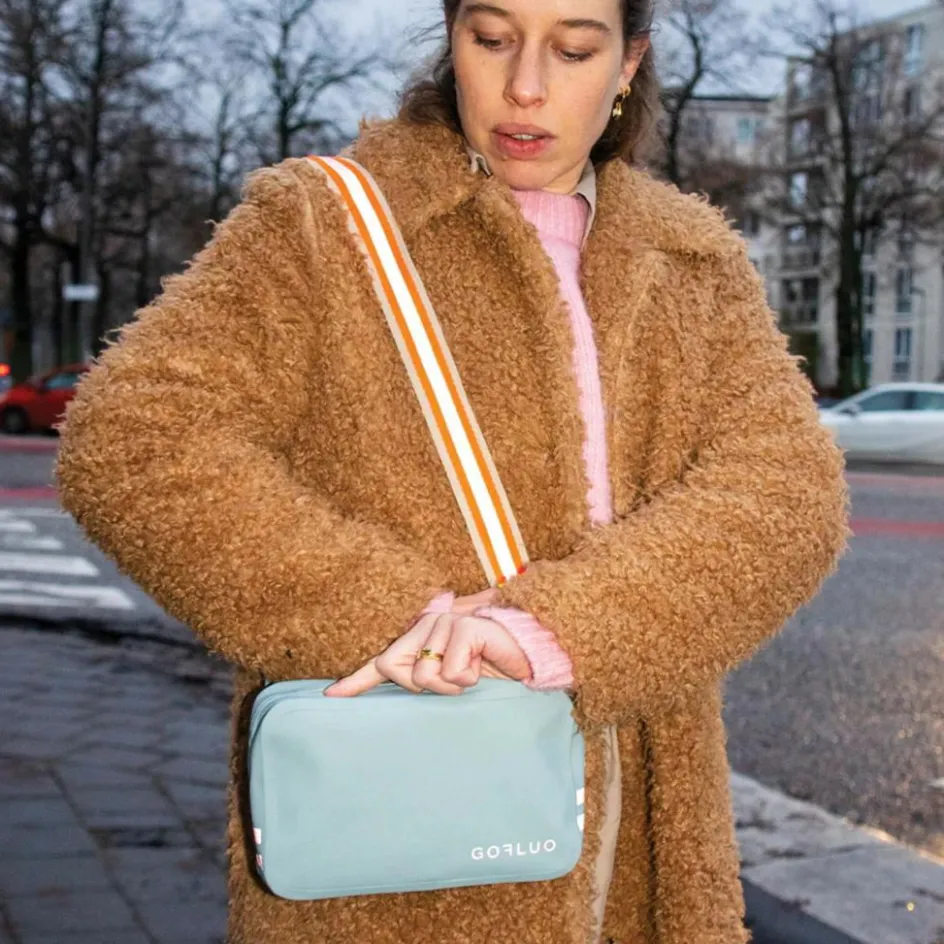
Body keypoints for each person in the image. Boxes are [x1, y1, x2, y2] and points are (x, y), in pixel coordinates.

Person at [55, 0, 849, 941]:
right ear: (451, 36)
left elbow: (788, 488)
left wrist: (554, 629)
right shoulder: (323, 224)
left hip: (643, 838)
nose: (525, 86)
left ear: (629, 62)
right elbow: (134, 439)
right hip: (403, 844)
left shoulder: (692, 259)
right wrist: (408, 625)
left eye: (574, 49)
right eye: (492, 38)